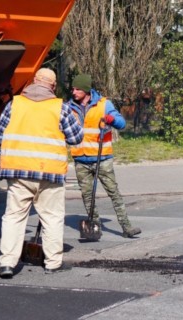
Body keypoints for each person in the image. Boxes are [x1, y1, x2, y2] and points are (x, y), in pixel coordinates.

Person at [0, 68, 84, 279]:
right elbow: (76, 138)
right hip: (49, 174)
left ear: (33, 82)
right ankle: (52, 263)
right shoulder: (59, 107)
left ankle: (7, 263)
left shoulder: (15, 104)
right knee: (52, 217)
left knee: (14, 217)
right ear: (52, 86)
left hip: (18, 171)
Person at [66, 74, 141, 239]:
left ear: (86, 90)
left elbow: (121, 123)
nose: (74, 92)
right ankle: (94, 227)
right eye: (73, 88)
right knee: (87, 195)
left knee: (113, 192)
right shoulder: (69, 107)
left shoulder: (104, 104)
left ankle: (126, 226)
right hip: (80, 159)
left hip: (102, 158)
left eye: (77, 89)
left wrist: (110, 119)